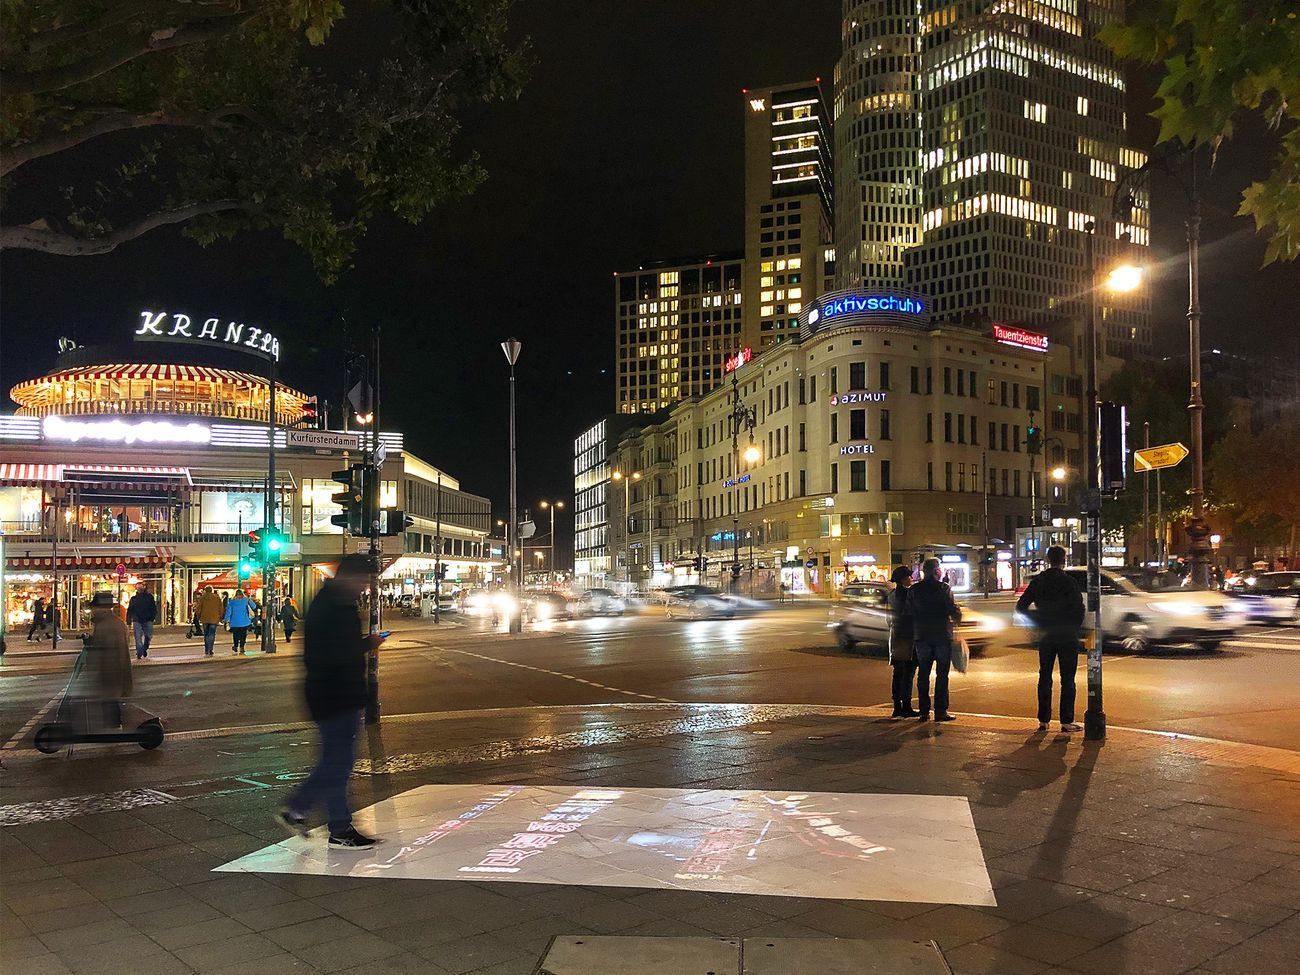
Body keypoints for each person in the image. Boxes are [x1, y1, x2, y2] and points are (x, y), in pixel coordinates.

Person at [278, 553, 382, 848]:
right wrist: (366, 645)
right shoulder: (335, 606)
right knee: (338, 762)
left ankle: (315, 815)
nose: (365, 586)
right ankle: (322, 819)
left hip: (330, 694)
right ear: (350, 577)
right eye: (363, 579)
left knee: (336, 761)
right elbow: (336, 654)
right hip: (336, 695)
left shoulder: (330, 601)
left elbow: (332, 650)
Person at [1016, 545, 1085, 732]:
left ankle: (1043, 720)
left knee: (1045, 676)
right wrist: (1073, 627)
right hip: (1066, 634)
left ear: (1048, 559)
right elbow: (1079, 609)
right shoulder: (1069, 581)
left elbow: (1021, 606)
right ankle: (1066, 720)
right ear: (1064, 559)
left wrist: (1038, 620)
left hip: (1046, 634)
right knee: (1068, 678)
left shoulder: (1039, 581)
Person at [908, 558, 961, 722]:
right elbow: (952, 609)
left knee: (923, 674)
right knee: (942, 674)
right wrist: (957, 617)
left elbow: (908, 613)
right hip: (941, 636)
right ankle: (940, 711)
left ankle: (924, 711)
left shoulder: (914, 590)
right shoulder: (944, 589)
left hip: (922, 636)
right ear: (937, 571)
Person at [80, 591, 133, 730]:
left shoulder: (105, 625)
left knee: (109, 697)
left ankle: (114, 727)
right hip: (115, 667)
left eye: (93, 607)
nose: (91, 610)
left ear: (99, 608)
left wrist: (90, 645)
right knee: (110, 697)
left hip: (109, 669)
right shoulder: (117, 623)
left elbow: (103, 648)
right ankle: (112, 725)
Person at [887, 566, 919, 718]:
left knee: (897, 673)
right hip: (908, 637)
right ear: (903, 579)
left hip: (895, 636)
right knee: (908, 672)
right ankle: (906, 705)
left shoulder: (892, 595)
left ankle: (896, 707)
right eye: (909, 577)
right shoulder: (909, 594)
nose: (911, 579)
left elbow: (888, 618)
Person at [125, 582, 157, 660]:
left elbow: (153, 608)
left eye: (141, 587)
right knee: (138, 638)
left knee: (148, 636)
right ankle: (139, 652)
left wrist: (152, 617)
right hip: (137, 620)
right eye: (138, 587)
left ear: (144, 587)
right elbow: (130, 610)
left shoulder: (149, 597)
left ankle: (143, 649)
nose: (139, 588)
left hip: (148, 619)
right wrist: (128, 621)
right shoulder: (134, 599)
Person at [223, 588, 256, 654]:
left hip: (234, 622)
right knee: (243, 635)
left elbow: (229, 611)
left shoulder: (231, 601)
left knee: (235, 635)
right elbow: (254, 606)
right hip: (245, 621)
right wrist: (249, 599)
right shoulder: (246, 600)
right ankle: (242, 647)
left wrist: (226, 619)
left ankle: (235, 646)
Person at [194, 586, 224, 657]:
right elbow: (221, 608)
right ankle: (210, 649)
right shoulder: (217, 598)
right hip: (214, 619)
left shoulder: (202, 598)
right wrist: (220, 616)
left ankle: (206, 649)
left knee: (206, 634)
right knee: (212, 634)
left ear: (205, 590)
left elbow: (198, 608)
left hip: (204, 618)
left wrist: (198, 617)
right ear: (212, 590)